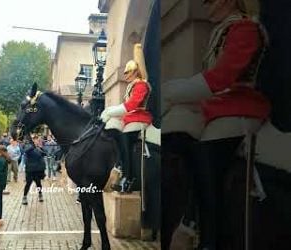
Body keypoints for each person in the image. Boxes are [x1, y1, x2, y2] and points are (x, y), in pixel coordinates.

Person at [162, 1, 269, 249]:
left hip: (241, 110)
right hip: (215, 110)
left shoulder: (245, 28)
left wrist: (172, 92)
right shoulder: (221, 31)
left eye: (210, 0)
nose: (205, 4)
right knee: (175, 136)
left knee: (206, 155)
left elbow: (222, 78)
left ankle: (207, 236)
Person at [100, 59, 153, 193]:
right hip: (130, 118)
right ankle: (119, 164)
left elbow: (132, 105)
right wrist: (109, 113)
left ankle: (128, 178)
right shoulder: (132, 86)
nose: (125, 75)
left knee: (125, 138)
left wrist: (111, 111)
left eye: (128, 72)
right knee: (112, 131)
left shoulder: (141, 85)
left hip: (140, 117)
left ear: (135, 72)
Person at [21, 136, 46, 205]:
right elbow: (25, 151)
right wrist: (33, 146)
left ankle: (40, 195)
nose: (37, 141)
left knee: (38, 183)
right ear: (32, 141)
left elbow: (45, 153)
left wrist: (40, 148)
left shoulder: (39, 148)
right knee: (28, 184)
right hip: (30, 169)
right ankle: (24, 197)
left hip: (38, 170)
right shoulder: (28, 146)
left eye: (38, 140)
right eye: (35, 140)